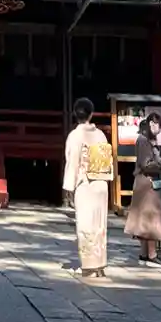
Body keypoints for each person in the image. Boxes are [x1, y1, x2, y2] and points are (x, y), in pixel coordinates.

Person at [62, 98, 114, 277]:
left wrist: (69, 187)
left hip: (85, 183)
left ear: (75, 114)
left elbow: (72, 161)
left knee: (85, 224)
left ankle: (89, 266)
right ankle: (100, 264)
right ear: (91, 114)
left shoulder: (75, 135)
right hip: (101, 183)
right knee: (100, 224)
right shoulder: (100, 135)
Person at [125, 110, 161, 263]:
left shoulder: (148, 139)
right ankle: (152, 254)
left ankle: (144, 252)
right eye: (159, 126)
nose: (160, 130)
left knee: (144, 220)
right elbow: (146, 164)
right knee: (151, 219)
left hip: (147, 182)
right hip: (147, 182)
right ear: (152, 124)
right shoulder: (144, 140)